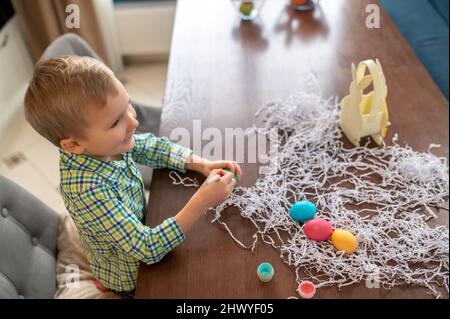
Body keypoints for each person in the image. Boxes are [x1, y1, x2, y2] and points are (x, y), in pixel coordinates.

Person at [24, 55, 242, 297]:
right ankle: (109, 283)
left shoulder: (100, 145)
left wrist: (201, 164)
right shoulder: (88, 191)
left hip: (131, 228)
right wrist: (202, 200)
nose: (134, 122)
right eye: (116, 122)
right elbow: (148, 249)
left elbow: (150, 147)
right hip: (131, 275)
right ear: (74, 145)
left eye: (127, 105)